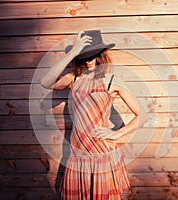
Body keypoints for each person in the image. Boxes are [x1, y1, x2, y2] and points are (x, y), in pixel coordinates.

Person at [40, 30, 147, 200]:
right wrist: (74, 51)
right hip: (78, 154)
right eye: (84, 56)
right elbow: (45, 82)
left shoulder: (112, 80)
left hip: (101, 152)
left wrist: (116, 134)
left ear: (100, 55)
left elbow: (142, 115)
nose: (88, 60)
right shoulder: (73, 78)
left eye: (92, 55)